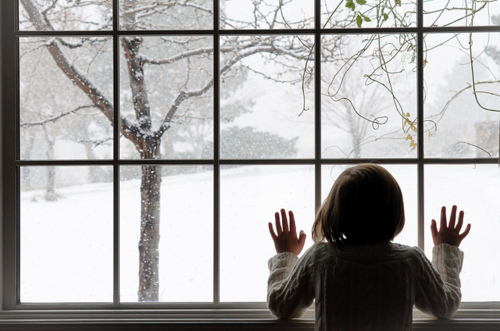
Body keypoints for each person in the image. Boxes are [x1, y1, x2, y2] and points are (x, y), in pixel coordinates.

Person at [267, 163, 471, 331]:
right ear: (395, 211)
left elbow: (281, 306)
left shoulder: (319, 259)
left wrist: (285, 254)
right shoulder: (410, 260)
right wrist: (446, 249)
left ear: (334, 212)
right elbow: (445, 306)